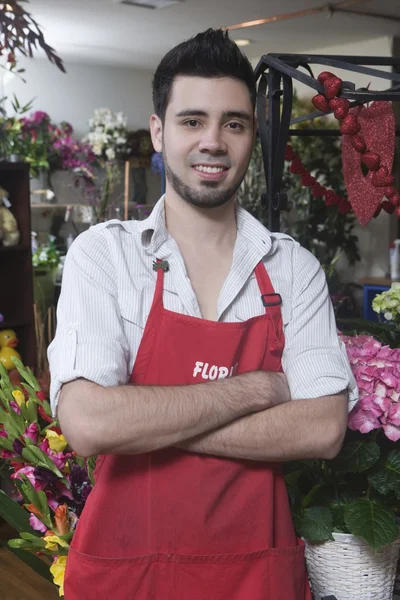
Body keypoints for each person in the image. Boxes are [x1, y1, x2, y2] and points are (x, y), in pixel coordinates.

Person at [49, 28, 358, 600]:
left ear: (251, 136)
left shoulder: (292, 269)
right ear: (160, 132)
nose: (213, 141)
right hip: (125, 572)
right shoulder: (106, 255)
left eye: (233, 124)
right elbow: (90, 424)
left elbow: (322, 428)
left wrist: (146, 420)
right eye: (192, 121)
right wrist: (261, 388)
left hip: (255, 573)